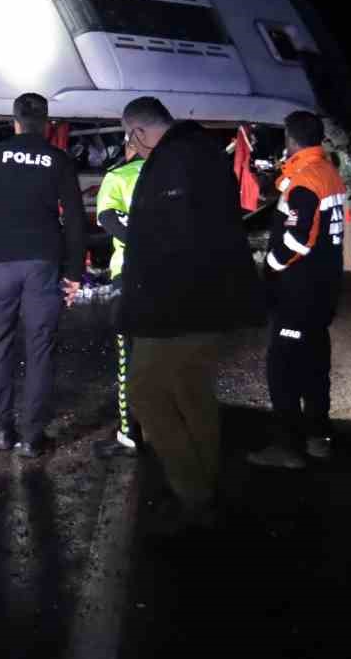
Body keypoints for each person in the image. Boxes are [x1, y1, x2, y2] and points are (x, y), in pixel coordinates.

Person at [117, 97, 264, 531]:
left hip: (173, 308)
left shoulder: (173, 164)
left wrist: (141, 304)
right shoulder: (201, 154)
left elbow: (171, 242)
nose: (132, 147)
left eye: (130, 138)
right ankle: (204, 485)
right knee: (192, 391)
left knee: (145, 391)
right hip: (207, 302)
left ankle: (192, 493)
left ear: (139, 132)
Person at [0, 93, 85, 458]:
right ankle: (31, 437)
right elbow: (74, 220)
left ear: (13, 121)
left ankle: (1, 431)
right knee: (40, 347)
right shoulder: (58, 160)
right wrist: (74, 273)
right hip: (42, 263)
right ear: (47, 123)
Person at [247, 110, 348, 470]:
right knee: (316, 363)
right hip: (323, 290)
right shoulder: (329, 174)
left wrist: (271, 265)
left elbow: (298, 238)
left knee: (284, 368)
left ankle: (288, 446)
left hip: (298, 292)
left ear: (291, 139)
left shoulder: (305, 180)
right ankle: (319, 437)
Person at [91, 138, 145, 460]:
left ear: (131, 143)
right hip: (174, 277)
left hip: (130, 275)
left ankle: (130, 435)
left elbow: (109, 219)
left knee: (129, 358)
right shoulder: (175, 173)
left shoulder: (118, 177)